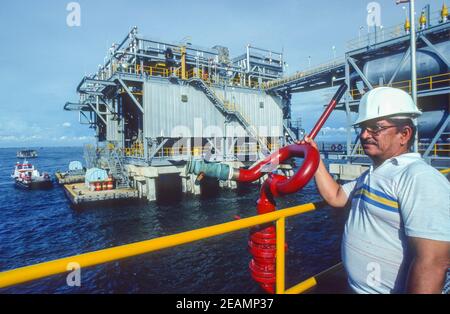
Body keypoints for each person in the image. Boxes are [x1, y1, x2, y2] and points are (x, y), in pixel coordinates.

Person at [301, 87, 450, 294]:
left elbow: (433, 262)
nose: (364, 135)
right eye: (362, 128)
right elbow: (336, 196)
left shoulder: (419, 178)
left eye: (375, 128)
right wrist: (314, 156)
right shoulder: (373, 174)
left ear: (404, 134)